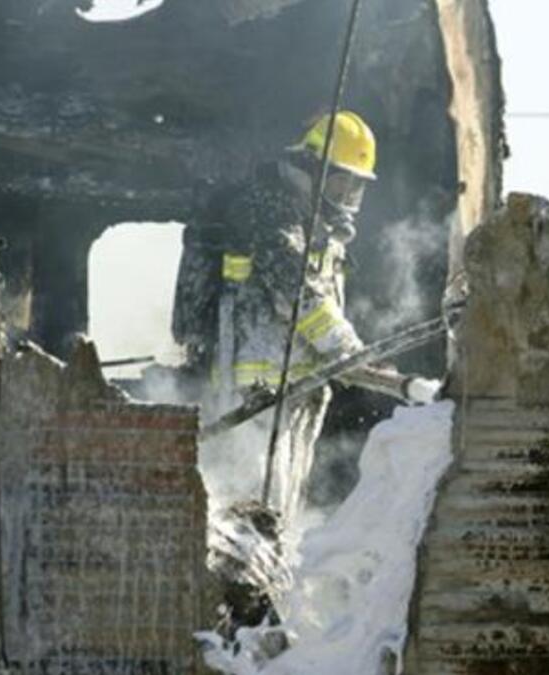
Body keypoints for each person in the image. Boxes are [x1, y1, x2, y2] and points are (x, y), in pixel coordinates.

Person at [172, 110, 439, 523]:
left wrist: (362, 364)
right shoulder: (270, 209)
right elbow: (299, 295)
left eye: (356, 187)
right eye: (340, 181)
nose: (348, 195)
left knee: (279, 513)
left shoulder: (313, 223)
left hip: (295, 389)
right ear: (312, 167)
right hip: (253, 396)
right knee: (246, 509)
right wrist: (351, 353)